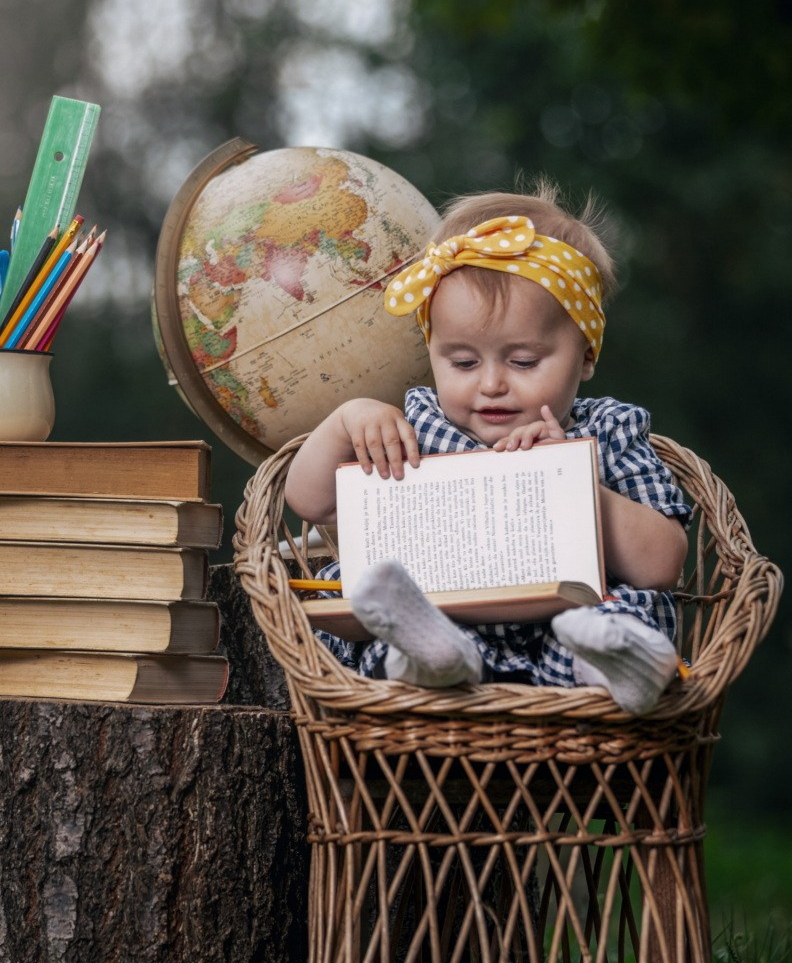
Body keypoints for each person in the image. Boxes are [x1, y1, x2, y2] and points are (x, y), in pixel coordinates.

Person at [284, 184, 690, 715]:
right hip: (447, 624)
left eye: (523, 362)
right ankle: (431, 660)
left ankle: (615, 668)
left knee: (626, 613)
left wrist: (572, 481)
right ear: (432, 352)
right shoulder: (414, 428)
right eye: (463, 363)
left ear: (586, 355)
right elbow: (308, 500)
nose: (492, 385)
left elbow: (663, 564)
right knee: (381, 607)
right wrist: (348, 419)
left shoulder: (607, 430)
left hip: (566, 642)